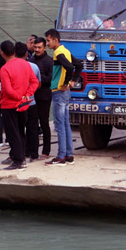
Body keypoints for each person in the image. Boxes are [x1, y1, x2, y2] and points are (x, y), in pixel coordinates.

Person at [0, 40, 39, 170]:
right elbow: (35, 82)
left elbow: (8, 90)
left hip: (9, 105)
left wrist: (19, 97)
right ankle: (21, 157)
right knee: (21, 131)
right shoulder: (26, 64)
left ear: (2, 52)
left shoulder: (5, 69)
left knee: (12, 133)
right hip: (24, 104)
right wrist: (27, 95)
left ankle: (18, 160)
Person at [45, 29, 76, 165]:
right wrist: (72, 81)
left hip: (59, 91)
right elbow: (78, 64)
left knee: (59, 125)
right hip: (65, 93)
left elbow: (69, 67)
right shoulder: (66, 51)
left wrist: (65, 83)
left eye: (48, 41)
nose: (47, 43)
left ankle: (61, 156)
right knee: (65, 124)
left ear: (55, 40)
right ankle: (69, 154)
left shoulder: (58, 53)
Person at [29, 35, 54, 159]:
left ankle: (46, 150)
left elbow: (51, 79)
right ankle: (32, 150)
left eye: (39, 47)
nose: (37, 50)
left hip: (44, 96)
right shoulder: (31, 60)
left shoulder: (49, 61)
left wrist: (38, 78)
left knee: (44, 123)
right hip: (32, 96)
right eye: (35, 47)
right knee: (32, 124)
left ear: (44, 48)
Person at [22, 41, 42, 161]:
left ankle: (23, 152)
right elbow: (38, 84)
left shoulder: (11, 67)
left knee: (20, 129)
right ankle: (34, 154)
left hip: (18, 103)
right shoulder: (34, 67)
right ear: (26, 54)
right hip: (31, 101)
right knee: (33, 129)